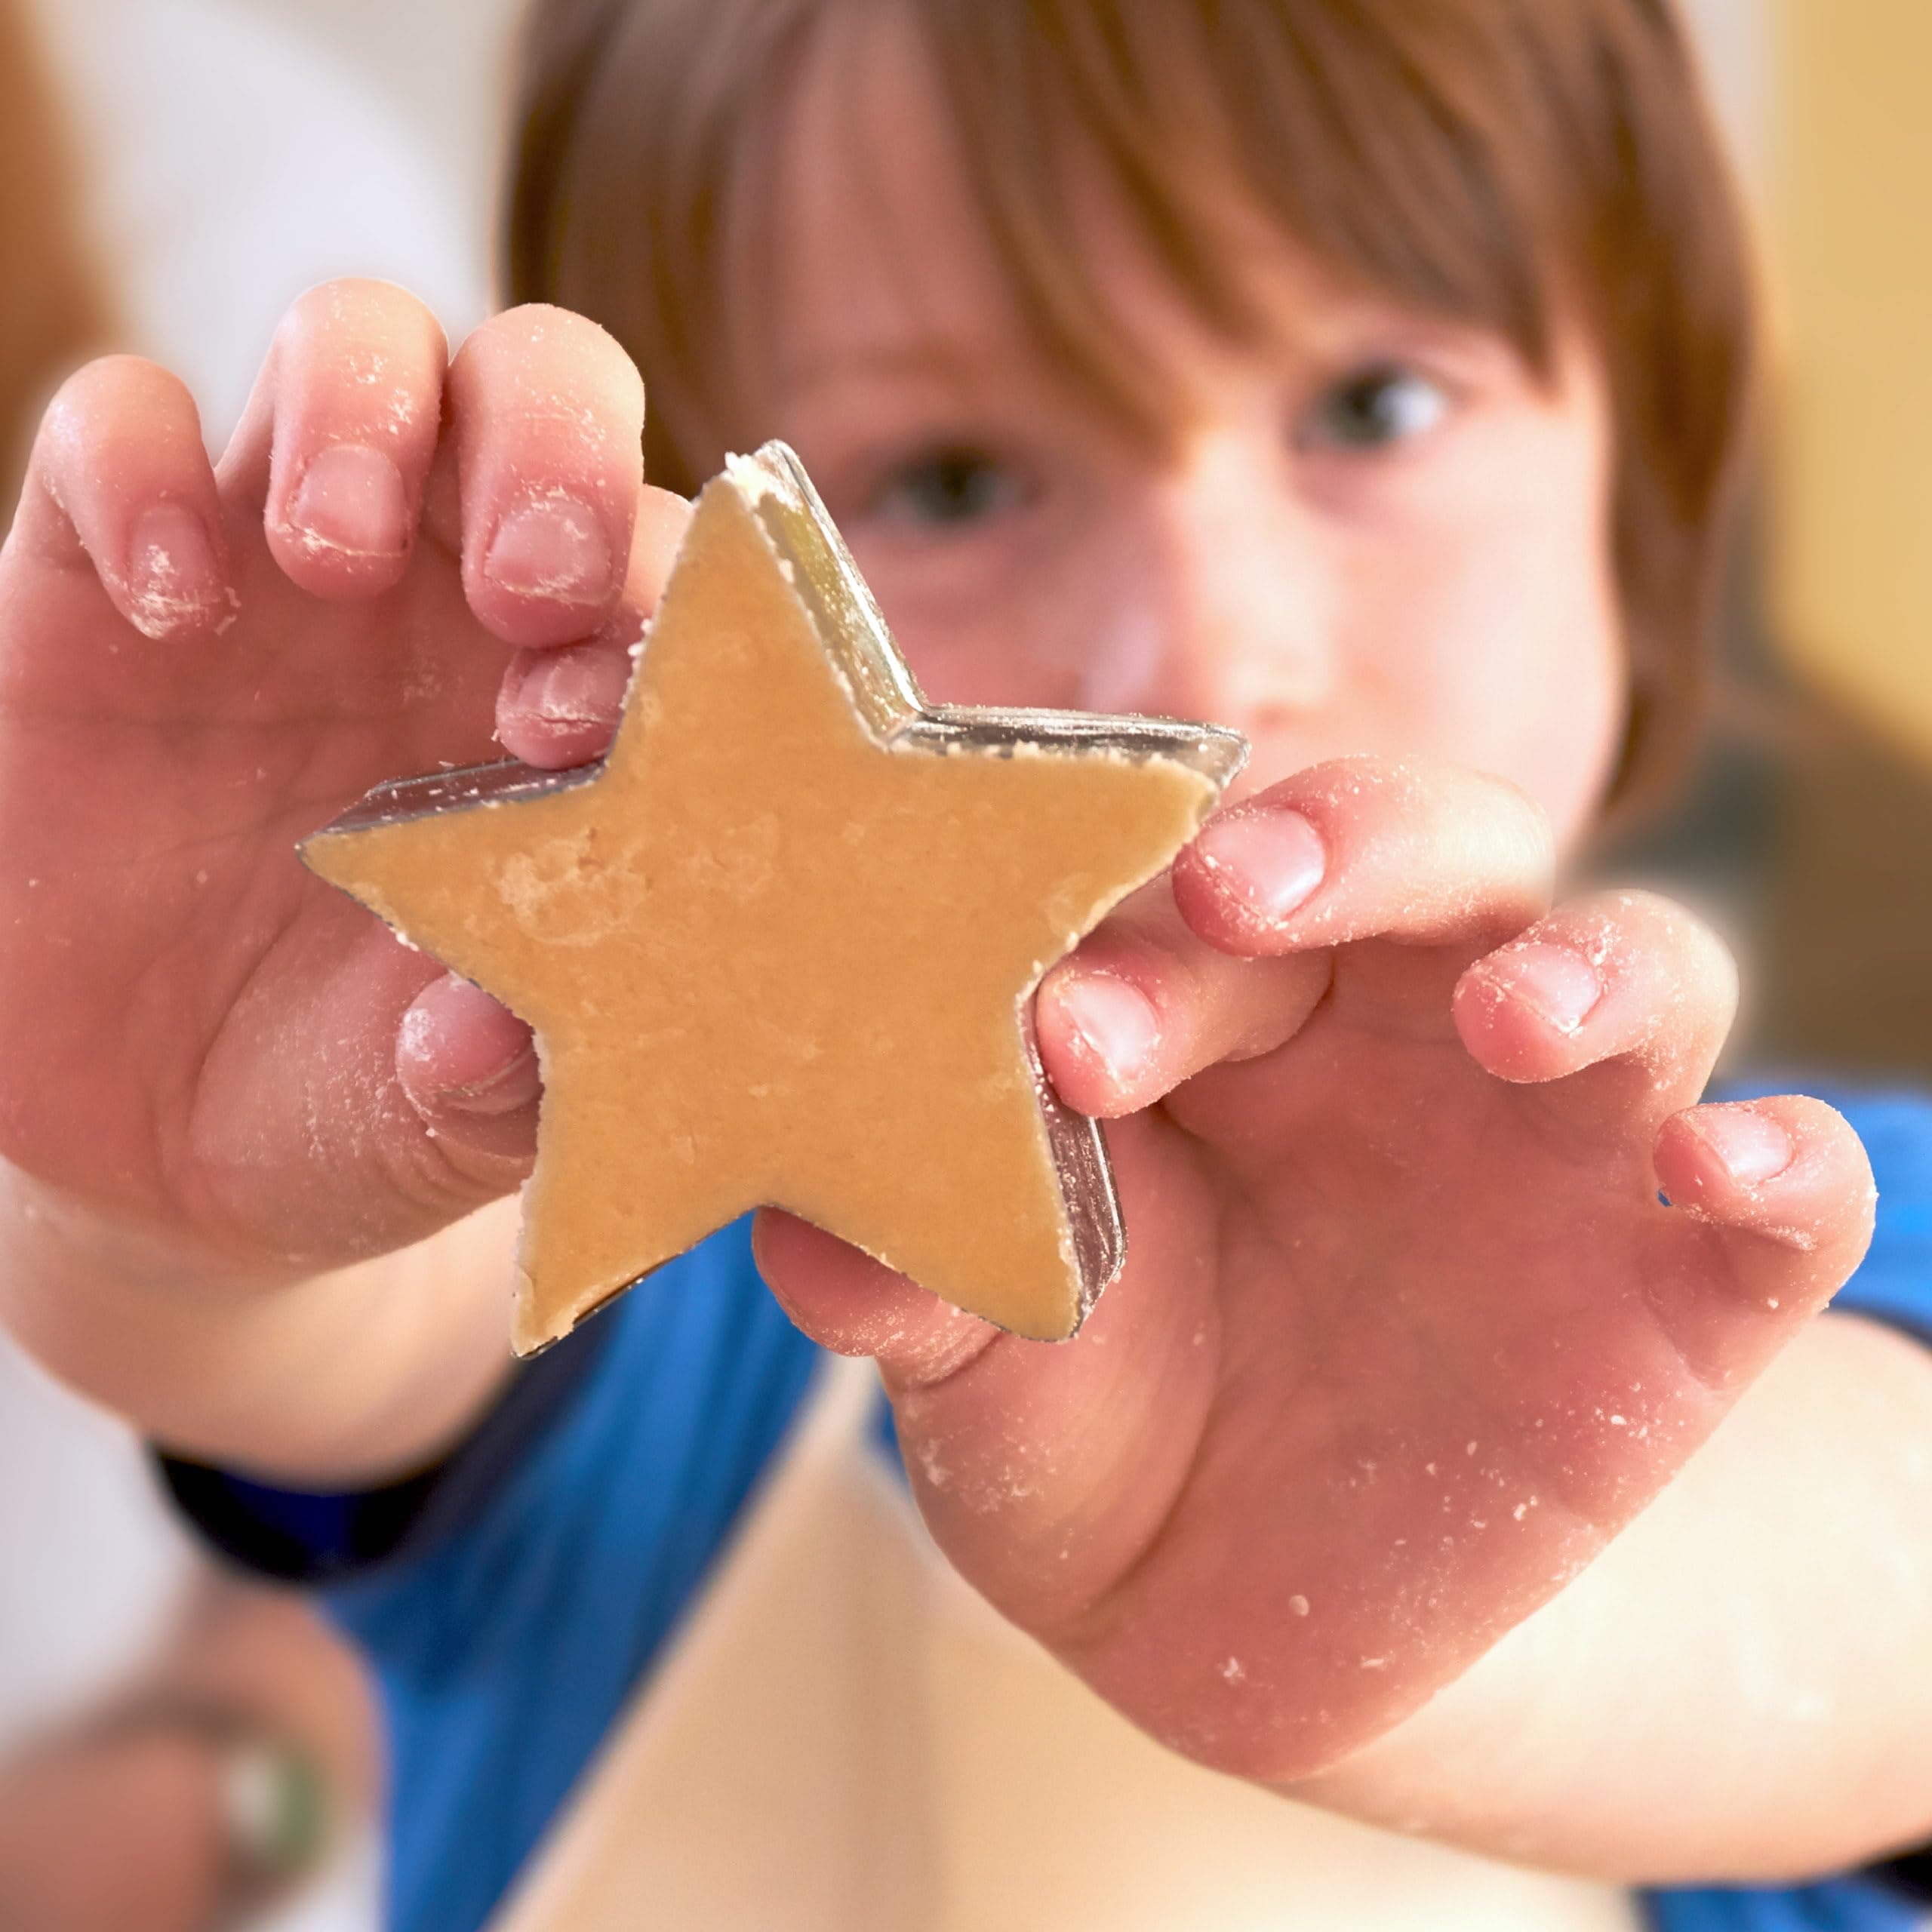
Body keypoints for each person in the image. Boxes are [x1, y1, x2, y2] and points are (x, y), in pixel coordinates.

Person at [0, 1, 1927, 1928]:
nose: (1203, 646)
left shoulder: (1790, 1239)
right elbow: (307, 1328)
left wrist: (1428, 1548)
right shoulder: (655, 1253)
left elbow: (1853, 1607)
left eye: (1369, 409)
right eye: (950, 481)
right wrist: (163, 1211)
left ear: (1643, 463)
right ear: (678, 598)